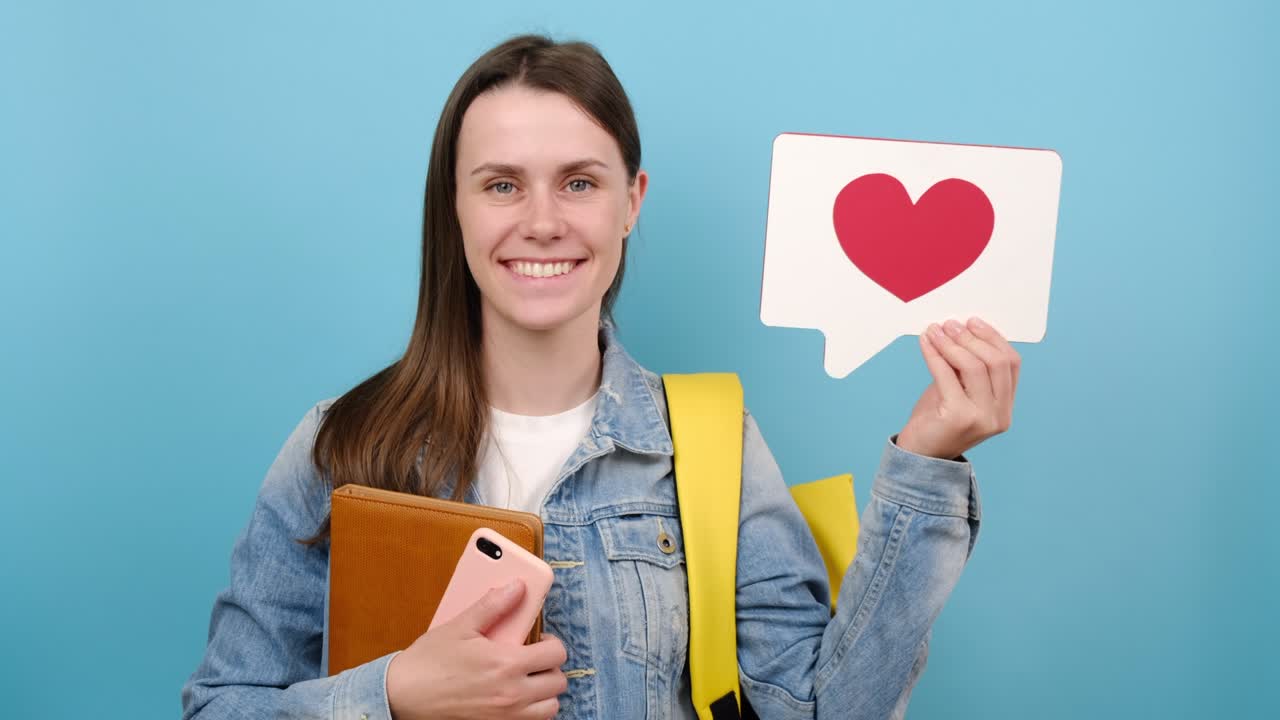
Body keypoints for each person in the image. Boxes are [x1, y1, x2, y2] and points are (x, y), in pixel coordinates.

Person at [182, 33, 1020, 720]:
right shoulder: (339, 444)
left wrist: (928, 461)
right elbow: (219, 707)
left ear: (632, 201)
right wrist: (390, 695)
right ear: (455, 206)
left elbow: (818, 713)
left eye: (579, 182)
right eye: (502, 184)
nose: (542, 222)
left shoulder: (710, 445)